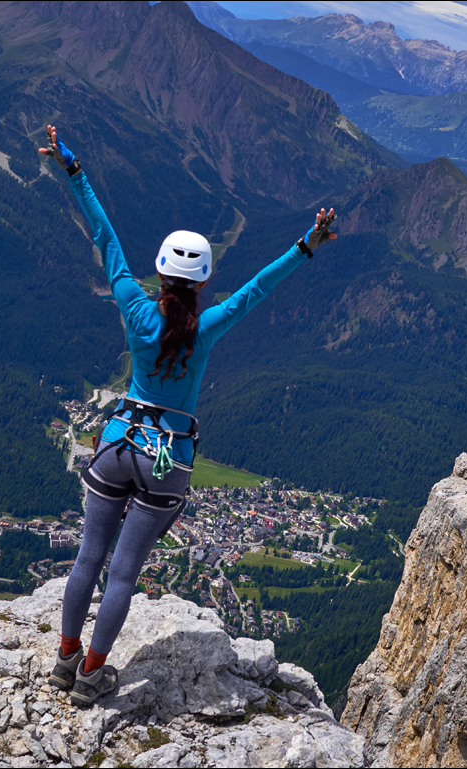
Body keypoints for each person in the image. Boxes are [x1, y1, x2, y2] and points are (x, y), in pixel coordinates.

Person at [37, 125, 336, 706]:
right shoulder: (206, 328)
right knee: (122, 574)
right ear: (201, 282)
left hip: (119, 443)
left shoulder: (131, 302)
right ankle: (93, 674)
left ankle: (67, 658)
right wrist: (305, 245)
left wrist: (74, 171)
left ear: (161, 271)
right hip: (166, 458)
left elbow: (106, 238)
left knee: (88, 557)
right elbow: (255, 290)